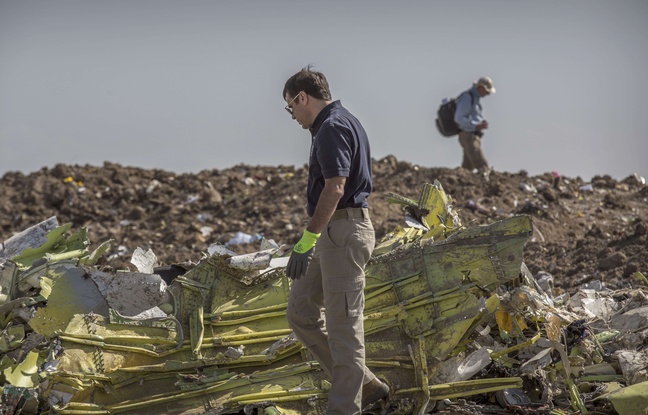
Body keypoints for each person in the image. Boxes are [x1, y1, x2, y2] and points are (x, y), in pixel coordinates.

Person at [282, 66, 389, 414]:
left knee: (344, 330)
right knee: (300, 311)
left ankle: (345, 408)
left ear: (303, 97)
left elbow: (336, 186)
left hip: (343, 232)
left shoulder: (331, 127)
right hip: (331, 233)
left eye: (290, 107)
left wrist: (305, 241)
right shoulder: (331, 125)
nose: (292, 115)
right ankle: (367, 384)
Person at [454, 76, 496, 173]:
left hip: (472, 135)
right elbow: (459, 118)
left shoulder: (474, 98)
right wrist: (475, 125)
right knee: (483, 166)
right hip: (468, 136)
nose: (488, 94)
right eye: (487, 91)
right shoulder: (467, 97)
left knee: (467, 168)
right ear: (481, 87)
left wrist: (479, 124)